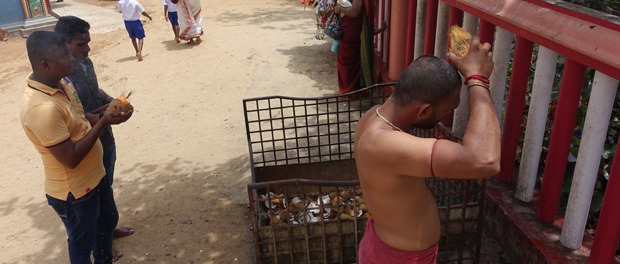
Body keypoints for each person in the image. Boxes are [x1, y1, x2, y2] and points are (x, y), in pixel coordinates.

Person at [354, 36, 499, 263]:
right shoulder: (384, 144)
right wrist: (478, 80)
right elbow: (485, 160)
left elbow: (428, 82)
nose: (446, 116)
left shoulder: (374, 115)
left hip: (387, 247)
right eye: (446, 110)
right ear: (423, 111)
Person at [20, 31, 133, 263]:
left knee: (108, 222)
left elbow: (81, 118)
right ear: (45, 64)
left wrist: (109, 111)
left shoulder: (63, 82)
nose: (72, 58)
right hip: (75, 193)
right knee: (82, 245)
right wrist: (103, 122)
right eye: (64, 54)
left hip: (95, 176)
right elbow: (70, 159)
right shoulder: (41, 109)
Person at [54, 15, 135, 262]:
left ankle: (108, 231)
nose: (88, 48)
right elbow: (75, 116)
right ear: (62, 44)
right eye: (81, 44)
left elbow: (94, 88)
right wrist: (103, 117)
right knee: (95, 194)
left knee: (106, 185)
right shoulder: (59, 75)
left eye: (88, 42)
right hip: (87, 140)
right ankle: (102, 242)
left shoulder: (85, 61)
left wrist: (111, 101)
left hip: (104, 134)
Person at [334, 0, 376, 95]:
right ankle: (349, 89)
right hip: (349, 28)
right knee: (347, 57)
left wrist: (340, 9)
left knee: (347, 58)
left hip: (351, 30)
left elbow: (355, 12)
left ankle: (350, 90)